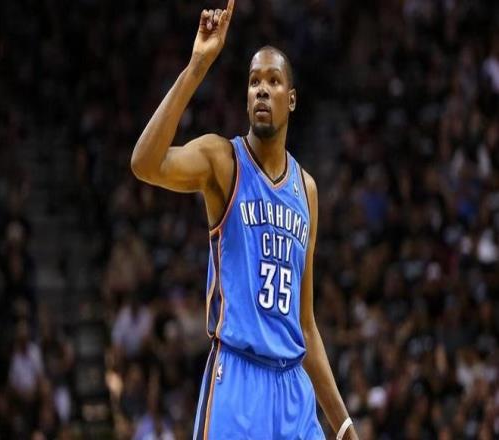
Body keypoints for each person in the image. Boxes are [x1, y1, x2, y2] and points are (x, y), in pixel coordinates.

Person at [130, 1, 358, 438]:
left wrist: (344, 425)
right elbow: (144, 163)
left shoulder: (306, 190)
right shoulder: (223, 160)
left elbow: (305, 325)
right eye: (254, 82)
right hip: (237, 377)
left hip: (293, 390)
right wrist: (198, 66)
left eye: (273, 81)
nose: (262, 90)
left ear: (292, 99)